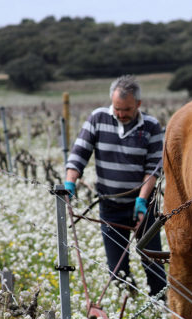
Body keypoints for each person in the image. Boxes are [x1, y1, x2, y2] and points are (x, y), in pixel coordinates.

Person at [64, 75, 167, 298]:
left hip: (143, 205)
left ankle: (160, 306)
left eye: (126, 109)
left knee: (152, 259)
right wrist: (69, 182)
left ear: (138, 104)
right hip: (110, 205)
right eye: (117, 108)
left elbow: (153, 169)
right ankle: (128, 304)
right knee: (116, 268)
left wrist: (141, 200)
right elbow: (79, 154)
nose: (121, 114)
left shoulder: (151, 126)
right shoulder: (98, 118)